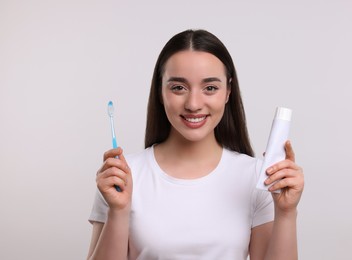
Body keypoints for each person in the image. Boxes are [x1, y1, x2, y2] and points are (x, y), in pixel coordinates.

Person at [87, 29, 304, 260]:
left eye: (210, 88)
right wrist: (118, 211)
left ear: (228, 91)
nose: (193, 104)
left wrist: (286, 213)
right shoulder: (122, 177)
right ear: (160, 91)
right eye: (178, 87)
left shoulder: (256, 177)